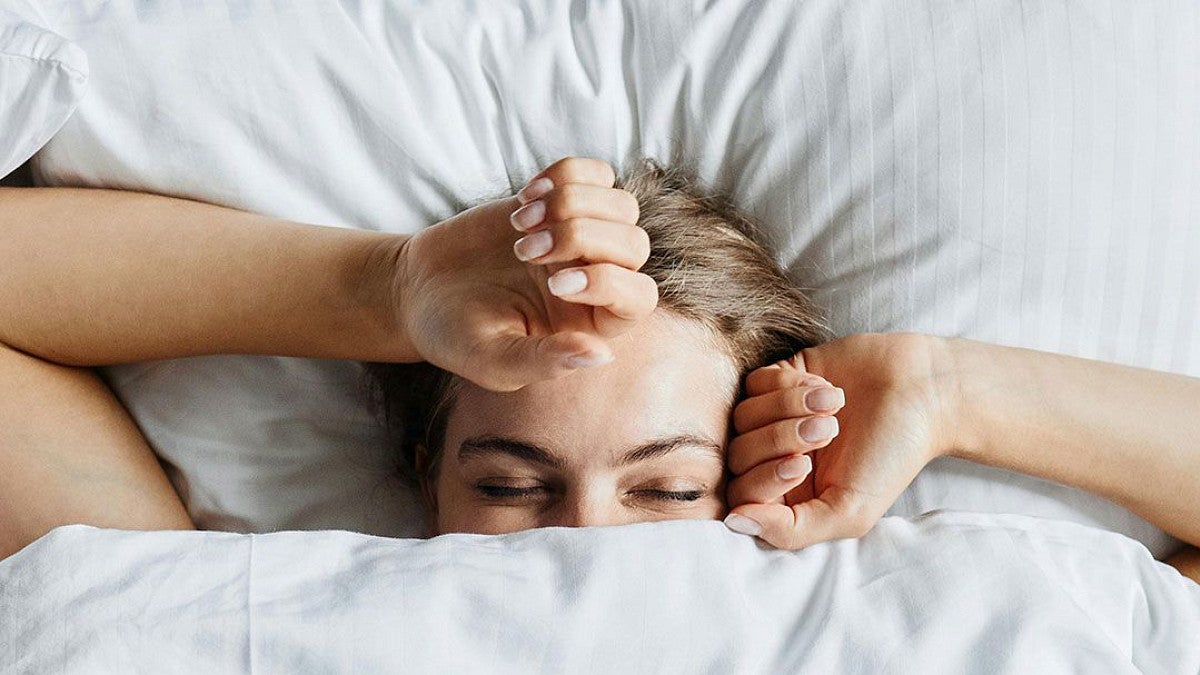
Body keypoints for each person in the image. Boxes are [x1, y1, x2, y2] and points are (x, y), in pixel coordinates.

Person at [0, 158, 1196, 583]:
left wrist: (949, 392)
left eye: (669, 489)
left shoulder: (901, 626)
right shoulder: (256, 625)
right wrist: (384, 290)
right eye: (512, 486)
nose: (581, 542)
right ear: (425, 475)